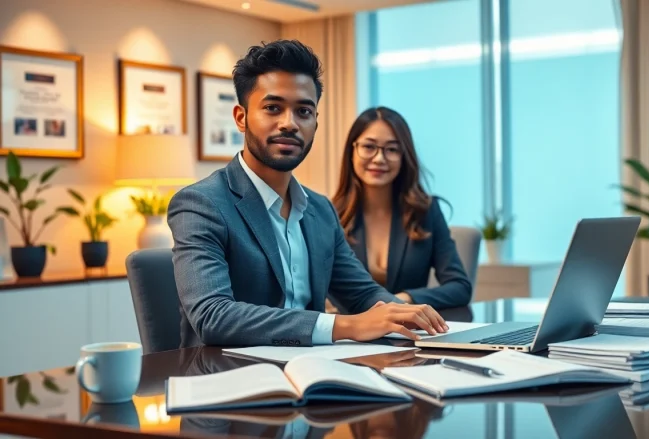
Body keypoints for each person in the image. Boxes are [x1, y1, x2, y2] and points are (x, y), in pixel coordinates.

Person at [167, 40, 448, 349]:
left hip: (313, 369)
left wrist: (408, 315)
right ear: (241, 117)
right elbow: (213, 316)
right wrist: (345, 326)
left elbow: (363, 293)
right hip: (228, 371)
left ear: (315, 121)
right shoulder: (201, 204)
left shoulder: (320, 209)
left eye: (303, 111)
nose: (289, 124)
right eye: (273, 108)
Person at [327, 107, 472, 312]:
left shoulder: (426, 212)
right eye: (369, 147)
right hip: (349, 328)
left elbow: (460, 287)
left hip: (409, 327)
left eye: (392, 149)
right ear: (352, 151)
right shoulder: (326, 214)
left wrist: (403, 300)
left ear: (405, 156)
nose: (379, 158)